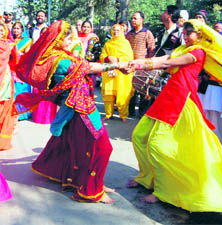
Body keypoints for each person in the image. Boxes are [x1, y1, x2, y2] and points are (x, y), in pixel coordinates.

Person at [126, 19, 222, 211]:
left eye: (190, 33)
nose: (186, 36)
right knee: (139, 137)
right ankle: (146, 178)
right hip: (167, 96)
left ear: (200, 35)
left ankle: (162, 191)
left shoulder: (197, 52)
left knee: (157, 145)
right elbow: (163, 59)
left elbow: (167, 62)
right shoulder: (182, 49)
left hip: (181, 100)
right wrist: (133, 63)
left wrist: (136, 64)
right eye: (185, 33)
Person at [15, 20, 128, 203]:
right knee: (102, 147)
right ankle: (91, 190)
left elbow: (86, 65)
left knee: (79, 147)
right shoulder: (58, 61)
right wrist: (116, 65)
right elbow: (88, 67)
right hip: (81, 108)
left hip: (77, 107)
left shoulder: (59, 55)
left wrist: (110, 63)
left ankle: (94, 182)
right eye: (68, 38)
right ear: (59, 39)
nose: (71, 41)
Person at [100, 24, 134, 122]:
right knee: (108, 93)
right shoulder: (108, 44)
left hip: (122, 73)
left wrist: (117, 59)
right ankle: (108, 114)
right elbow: (102, 56)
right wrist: (107, 58)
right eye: (114, 30)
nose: (116, 32)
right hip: (109, 71)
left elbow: (129, 58)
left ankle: (123, 115)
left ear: (122, 31)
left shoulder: (126, 43)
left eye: (118, 30)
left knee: (122, 94)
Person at [126, 11, 155, 117]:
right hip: (130, 66)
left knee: (143, 90)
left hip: (143, 67)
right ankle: (130, 111)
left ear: (142, 19)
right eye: (132, 18)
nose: (133, 20)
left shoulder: (147, 33)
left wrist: (148, 64)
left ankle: (143, 113)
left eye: (135, 18)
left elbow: (151, 49)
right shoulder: (129, 34)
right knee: (131, 89)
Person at [31, 29, 57, 125]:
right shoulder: (37, 46)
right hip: (39, 73)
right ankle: (38, 117)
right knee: (40, 95)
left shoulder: (55, 47)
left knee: (49, 95)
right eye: (43, 33)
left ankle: (49, 117)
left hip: (50, 73)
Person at [0, 21, 18, 150]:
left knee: (5, 108)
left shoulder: (10, 45)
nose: (0, 33)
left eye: (1, 30)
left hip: (5, 80)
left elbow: (16, 61)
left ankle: (2, 141)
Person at [11, 21, 33, 121]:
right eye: (14, 28)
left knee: (21, 91)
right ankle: (12, 112)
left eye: (18, 29)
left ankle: (22, 113)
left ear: (22, 30)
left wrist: (17, 53)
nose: (16, 30)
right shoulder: (10, 40)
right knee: (13, 91)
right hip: (11, 68)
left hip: (21, 69)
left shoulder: (27, 41)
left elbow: (27, 55)